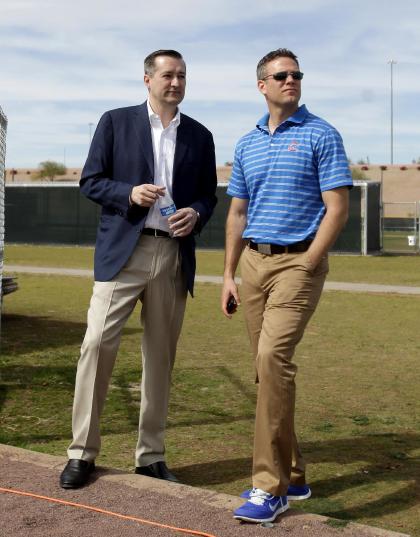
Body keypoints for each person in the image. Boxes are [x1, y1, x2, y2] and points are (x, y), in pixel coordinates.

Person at [60, 49, 217, 489]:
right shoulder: (115, 121)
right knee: (96, 346)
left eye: (183, 75)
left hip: (172, 256)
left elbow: (208, 195)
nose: (176, 82)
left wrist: (197, 215)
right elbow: (91, 181)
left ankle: (150, 456)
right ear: (147, 79)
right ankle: (81, 453)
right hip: (122, 255)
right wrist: (129, 193)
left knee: (159, 358)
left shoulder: (200, 136)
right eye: (168, 74)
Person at [221, 48, 352, 523]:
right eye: (282, 75)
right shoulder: (246, 143)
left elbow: (336, 207)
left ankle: (268, 487)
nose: (291, 80)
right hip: (253, 264)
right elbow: (237, 211)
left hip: (299, 262)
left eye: (297, 73)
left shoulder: (322, 134)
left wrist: (310, 263)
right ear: (263, 84)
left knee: (273, 359)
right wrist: (229, 274)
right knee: (266, 373)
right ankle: (294, 474)